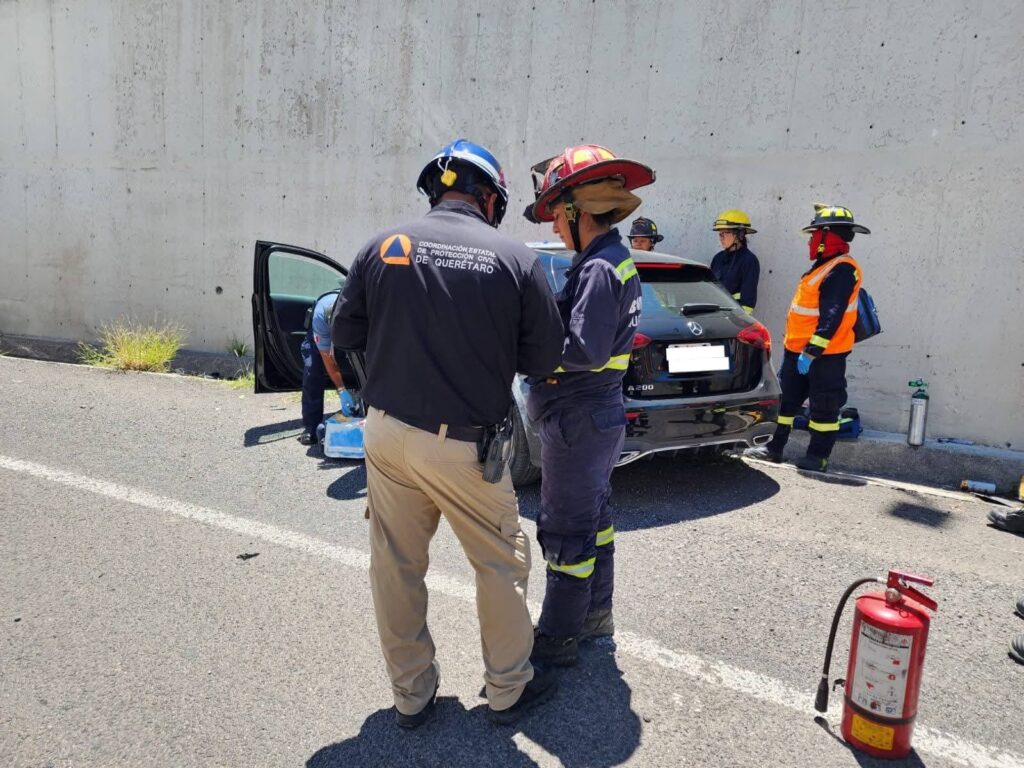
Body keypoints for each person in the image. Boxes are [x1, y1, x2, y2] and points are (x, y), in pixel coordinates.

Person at [330, 139, 564, 728]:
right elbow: (544, 358)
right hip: (465, 445)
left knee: (395, 564)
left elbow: (343, 334)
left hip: (384, 435)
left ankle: (411, 696)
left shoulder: (383, 246)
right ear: (489, 196)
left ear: (437, 189)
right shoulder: (515, 260)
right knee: (500, 562)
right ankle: (508, 689)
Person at [522, 144, 652, 667]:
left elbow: (584, 349)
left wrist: (529, 347)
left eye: (557, 216)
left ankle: (558, 638)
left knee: (567, 530)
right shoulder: (611, 261)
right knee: (595, 520)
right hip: (598, 415)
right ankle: (596, 616)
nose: (554, 228)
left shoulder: (600, 268)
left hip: (578, 417)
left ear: (578, 211)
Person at [753, 204, 869, 472]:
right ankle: (773, 449)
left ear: (828, 236)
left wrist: (811, 352)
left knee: (824, 410)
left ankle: (817, 457)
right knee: (785, 404)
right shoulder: (823, 266)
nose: (810, 240)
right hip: (798, 352)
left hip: (824, 355)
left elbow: (832, 315)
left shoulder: (841, 270)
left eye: (814, 234)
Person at [298, 291, 357, 446]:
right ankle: (311, 429)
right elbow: (327, 358)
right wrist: (342, 390)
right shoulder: (321, 317)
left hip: (350, 328)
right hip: (317, 336)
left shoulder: (358, 311)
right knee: (312, 373)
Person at [710, 209, 760, 313]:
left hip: (733, 320)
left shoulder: (749, 261)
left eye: (725, 233)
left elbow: (748, 304)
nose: (721, 238)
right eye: (720, 234)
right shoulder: (717, 258)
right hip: (713, 317)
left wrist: (737, 323)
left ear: (740, 235)